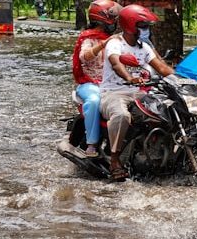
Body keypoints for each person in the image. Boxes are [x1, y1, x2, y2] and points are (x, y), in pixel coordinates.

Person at [99, 3, 173, 182]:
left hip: (139, 93)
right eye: (143, 26)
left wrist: (185, 79)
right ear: (131, 26)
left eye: (147, 27)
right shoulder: (115, 44)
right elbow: (117, 64)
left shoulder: (144, 47)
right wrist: (130, 78)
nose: (146, 30)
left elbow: (162, 68)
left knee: (166, 110)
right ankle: (115, 160)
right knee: (122, 116)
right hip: (113, 93)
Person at [72, 0, 121, 158]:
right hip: (89, 83)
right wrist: (102, 45)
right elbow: (84, 57)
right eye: (113, 18)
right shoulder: (88, 38)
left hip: (113, 83)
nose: (115, 22)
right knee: (94, 100)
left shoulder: (117, 39)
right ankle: (91, 144)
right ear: (103, 19)